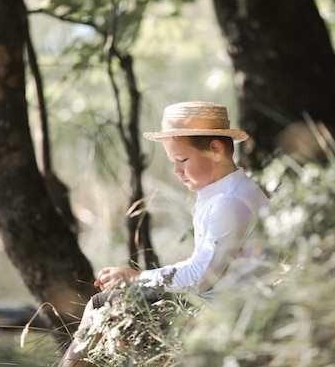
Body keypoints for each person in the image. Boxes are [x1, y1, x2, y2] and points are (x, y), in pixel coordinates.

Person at [58, 101, 271, 367]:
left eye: (183, 160)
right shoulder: (223, 194)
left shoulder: (230, 201)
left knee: (102, 305)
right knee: (102, 305)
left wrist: (138, 278)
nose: (176, 171)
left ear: (216, 150)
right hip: (220, 306)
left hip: (227, 315)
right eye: (172, 162)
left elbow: (200, 278)